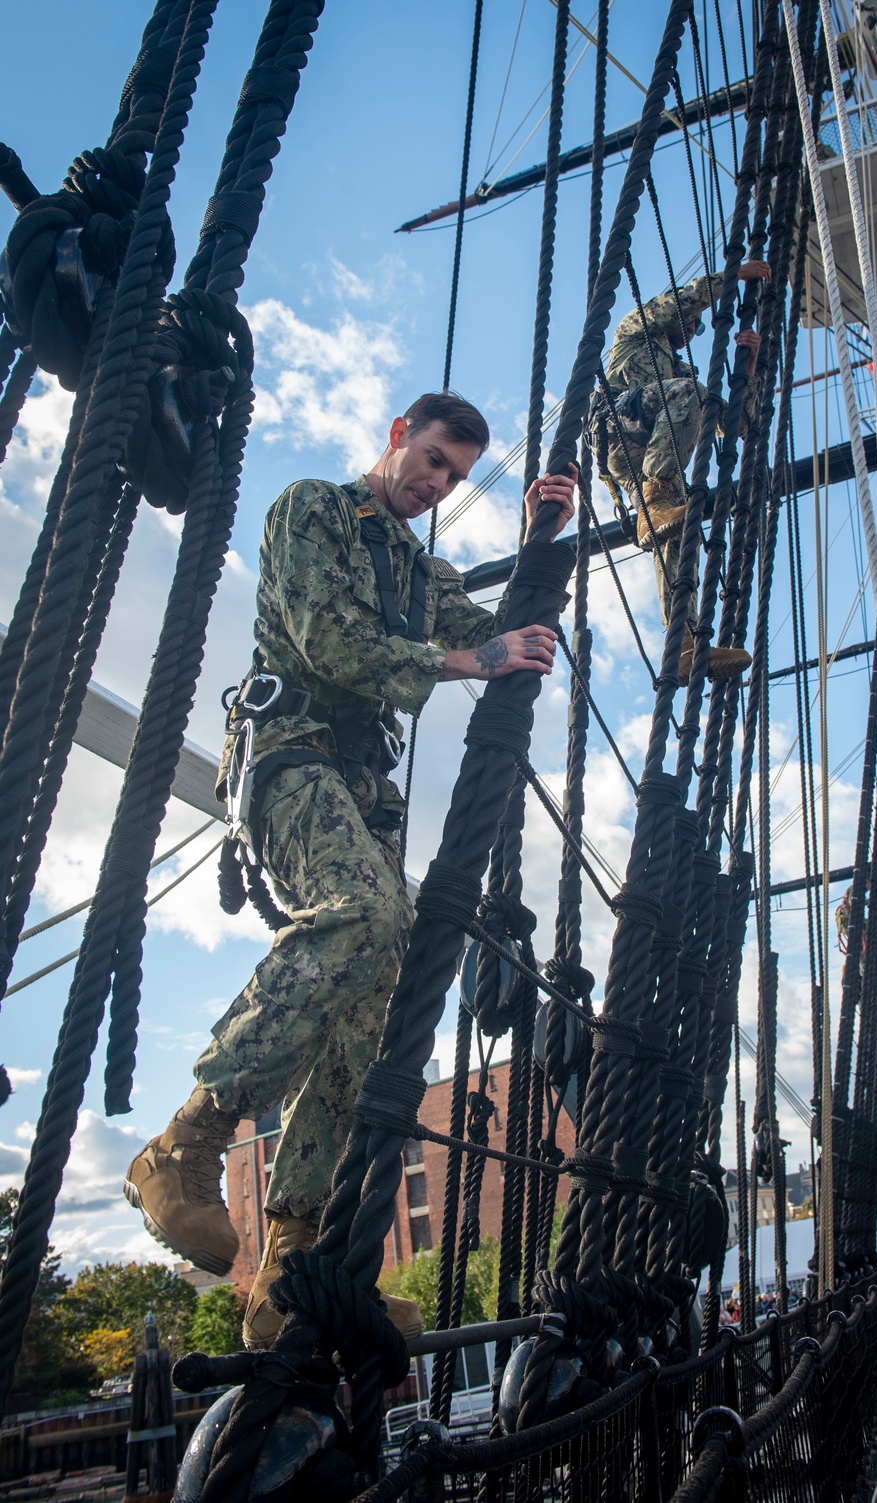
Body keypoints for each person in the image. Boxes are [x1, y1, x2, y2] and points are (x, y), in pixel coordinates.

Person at [124, 392, 577, 1350]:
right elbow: (332, 638)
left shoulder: (421, 568)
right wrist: (470, 656)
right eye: (433, 458)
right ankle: (186, 1145)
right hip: (290, 755)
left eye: (454, 474)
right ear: (397, 436)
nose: (438, 482)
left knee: (377, 986)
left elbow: (496, 628)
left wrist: (542, 541)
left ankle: (293, 1263)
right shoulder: (312, 511)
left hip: (360, 788)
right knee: (365, 913)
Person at [589, 263, 770, 681]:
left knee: (674, 535)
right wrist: (731, 277)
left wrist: (750, 370)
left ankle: (685, 643)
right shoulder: (635, 333)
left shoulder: (684, 375)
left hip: (652, 464)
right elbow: (676, 304)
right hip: (619, 429)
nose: (693, 328)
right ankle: (654, 501)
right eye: (691, 321)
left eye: (699, 328)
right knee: (684, 403)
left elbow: (739, 426)